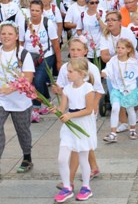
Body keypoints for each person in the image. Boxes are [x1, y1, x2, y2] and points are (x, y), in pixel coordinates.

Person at [0, 21, 35, 181]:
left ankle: (27, 157)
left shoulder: (24, 54)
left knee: (23, 131)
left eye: (10, 34)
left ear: (17, 36)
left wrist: (11, 89)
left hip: (20, 100)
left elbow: (28, 79)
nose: (6, 37)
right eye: (3, 33)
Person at [53, 38, 104, 190]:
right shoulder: (65, 68)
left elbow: (98, 90)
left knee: (77, 147)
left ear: (85, 51)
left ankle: (70, 180)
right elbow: (64, 88)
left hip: (86, 112)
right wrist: (58, 91)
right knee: (82, 145)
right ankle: (93, 166)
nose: (75, 53)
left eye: (78, 49)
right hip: (72, 110)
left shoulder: (91, 68)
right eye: (72, 50)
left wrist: (94, 107)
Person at [53, 57, 97, 203]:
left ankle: (86, 187)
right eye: (67, 71)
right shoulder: (67, 89)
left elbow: (89, 110)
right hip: (69, 126)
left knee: (84, 159)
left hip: (83, 124)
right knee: (61, 158)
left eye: (70, 72)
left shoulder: (88, 88)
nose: (67, 74)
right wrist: (56, 111)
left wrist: (70, 115)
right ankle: (67, 187)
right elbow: (62, 109)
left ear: (80, 73)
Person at [20, 0, 62, 123]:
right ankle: (47, 100)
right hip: (29, 56)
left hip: (46, 55)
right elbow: (21, 42)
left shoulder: (47, 23)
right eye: (32, 10)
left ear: (42, 11)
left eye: (37, 11)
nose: (34, 13)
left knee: (39, 79)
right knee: (33, 81)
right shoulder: (25, 23)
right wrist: (20, 59)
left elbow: (55, 43)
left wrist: (59, 61)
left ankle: (36, 108)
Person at [102, 39, 138, 143]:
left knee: (130, 109)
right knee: (115, 108)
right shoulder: (113, 60)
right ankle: (113, 133)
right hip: (117, 88)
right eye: (118, 47)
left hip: (129, 89)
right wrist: (104, 73)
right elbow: (108, 69)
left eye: (122, 48)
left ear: (128, 50)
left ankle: (133, 129)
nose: (119, 50)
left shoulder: (133, 62)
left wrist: (133, 84)